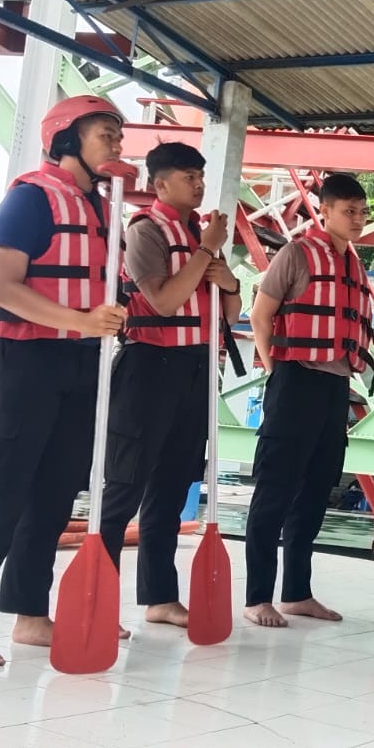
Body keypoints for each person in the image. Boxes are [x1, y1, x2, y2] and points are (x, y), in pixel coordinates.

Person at [0, 95, 127, 667]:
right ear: (67, 138)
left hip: (82, 361)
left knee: (54, 492)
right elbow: (5, 287)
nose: (117, 143)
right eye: (105, 133)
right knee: (0, 489)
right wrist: (82, 321)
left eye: (117, 134)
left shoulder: (103, 207)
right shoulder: (30, 198)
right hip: (25, 359)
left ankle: (29, 614)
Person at [99, 142, 240, 629]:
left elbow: (229, 313)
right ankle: (98, 599)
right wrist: (206, 251)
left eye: (200, 176)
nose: (199, 185)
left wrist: (229, 281)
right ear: (159, 184)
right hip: (149, 366)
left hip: (195, 368)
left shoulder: (201, 234)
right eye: (188, 177)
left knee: (172, 486)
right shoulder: (146, 230)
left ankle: (159, 597)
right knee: (125, 487)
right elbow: (162, 301)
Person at [242, 173, 374, 628]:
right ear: (325, 211)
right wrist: (275, 371)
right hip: (294, 379)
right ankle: (257, 597)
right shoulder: (297, 254)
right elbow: (260, 315)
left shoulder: (354, 264)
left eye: (361, 212)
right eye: (348, 211)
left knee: (318, 489)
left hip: (335, 387)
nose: (357, 219)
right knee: (275, 489)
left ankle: (297, 592)